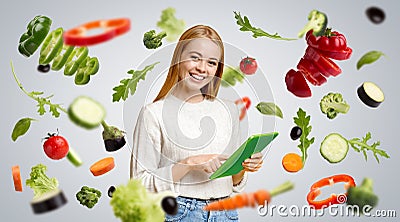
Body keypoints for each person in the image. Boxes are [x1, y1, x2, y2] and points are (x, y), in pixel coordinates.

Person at [130, 25, 263, 222]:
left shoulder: (229, 110)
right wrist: (189, 164)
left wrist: (244, 165)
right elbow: (139, 187)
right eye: (195, 57)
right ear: (178, 58)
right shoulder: (153, 114)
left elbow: (233, 180)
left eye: (211, 62)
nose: (202, 68)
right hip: (179, 213)